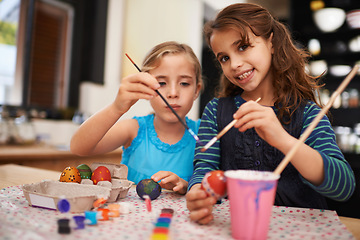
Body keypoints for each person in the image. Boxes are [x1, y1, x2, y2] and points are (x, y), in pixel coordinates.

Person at [186, 3, 355, 224]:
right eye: (224, 58)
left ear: (272, 43)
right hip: (238, 228)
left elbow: (344, 187)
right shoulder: (216, 111)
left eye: (243, 46)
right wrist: (199, 192)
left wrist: (282, 139)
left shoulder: (308, 113)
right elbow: (204, 169)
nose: (235, 64)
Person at [70, 41, 203, 195]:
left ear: (196, 90)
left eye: (184, 83)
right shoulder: (134, 130)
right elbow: (78, 147)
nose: (173, 93)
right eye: (161, 83)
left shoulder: (205, 134)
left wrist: (187, 186)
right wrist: (116, 108)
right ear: (145, 87)